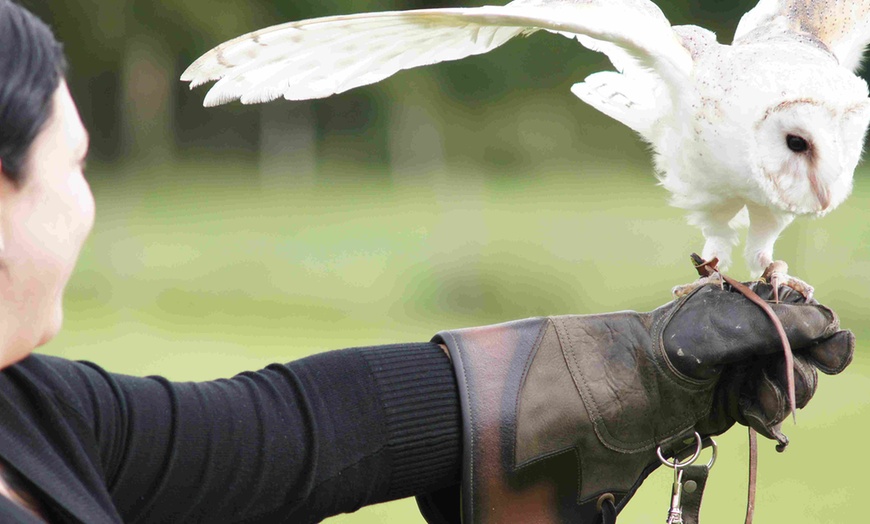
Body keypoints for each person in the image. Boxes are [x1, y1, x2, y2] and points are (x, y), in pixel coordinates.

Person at [0, 1, 854, 523]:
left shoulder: (34, 415)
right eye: (77, 166)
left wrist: (629, 370)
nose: (92, 201)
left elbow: (298, 436)